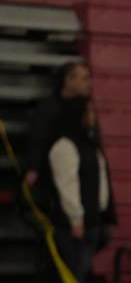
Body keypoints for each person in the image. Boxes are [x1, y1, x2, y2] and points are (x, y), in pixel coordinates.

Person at [45, 96, 116, 283]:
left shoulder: (91, 144)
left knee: (81, 270)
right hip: (72, 222)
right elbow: (67, 185)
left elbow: (101, 179)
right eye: (88, 113)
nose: (92, 117)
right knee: (73, 271)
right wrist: (76, 217)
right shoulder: (64, 146)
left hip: (93, 218)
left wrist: (102, 208)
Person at [25, 61, 93, 190]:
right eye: (84, 78)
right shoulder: (49, 108)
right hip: (53, 171)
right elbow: (38, 138)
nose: (89, 84)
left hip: (83, 170)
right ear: (68, 80)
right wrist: (33, 168)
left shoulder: (87, 108)